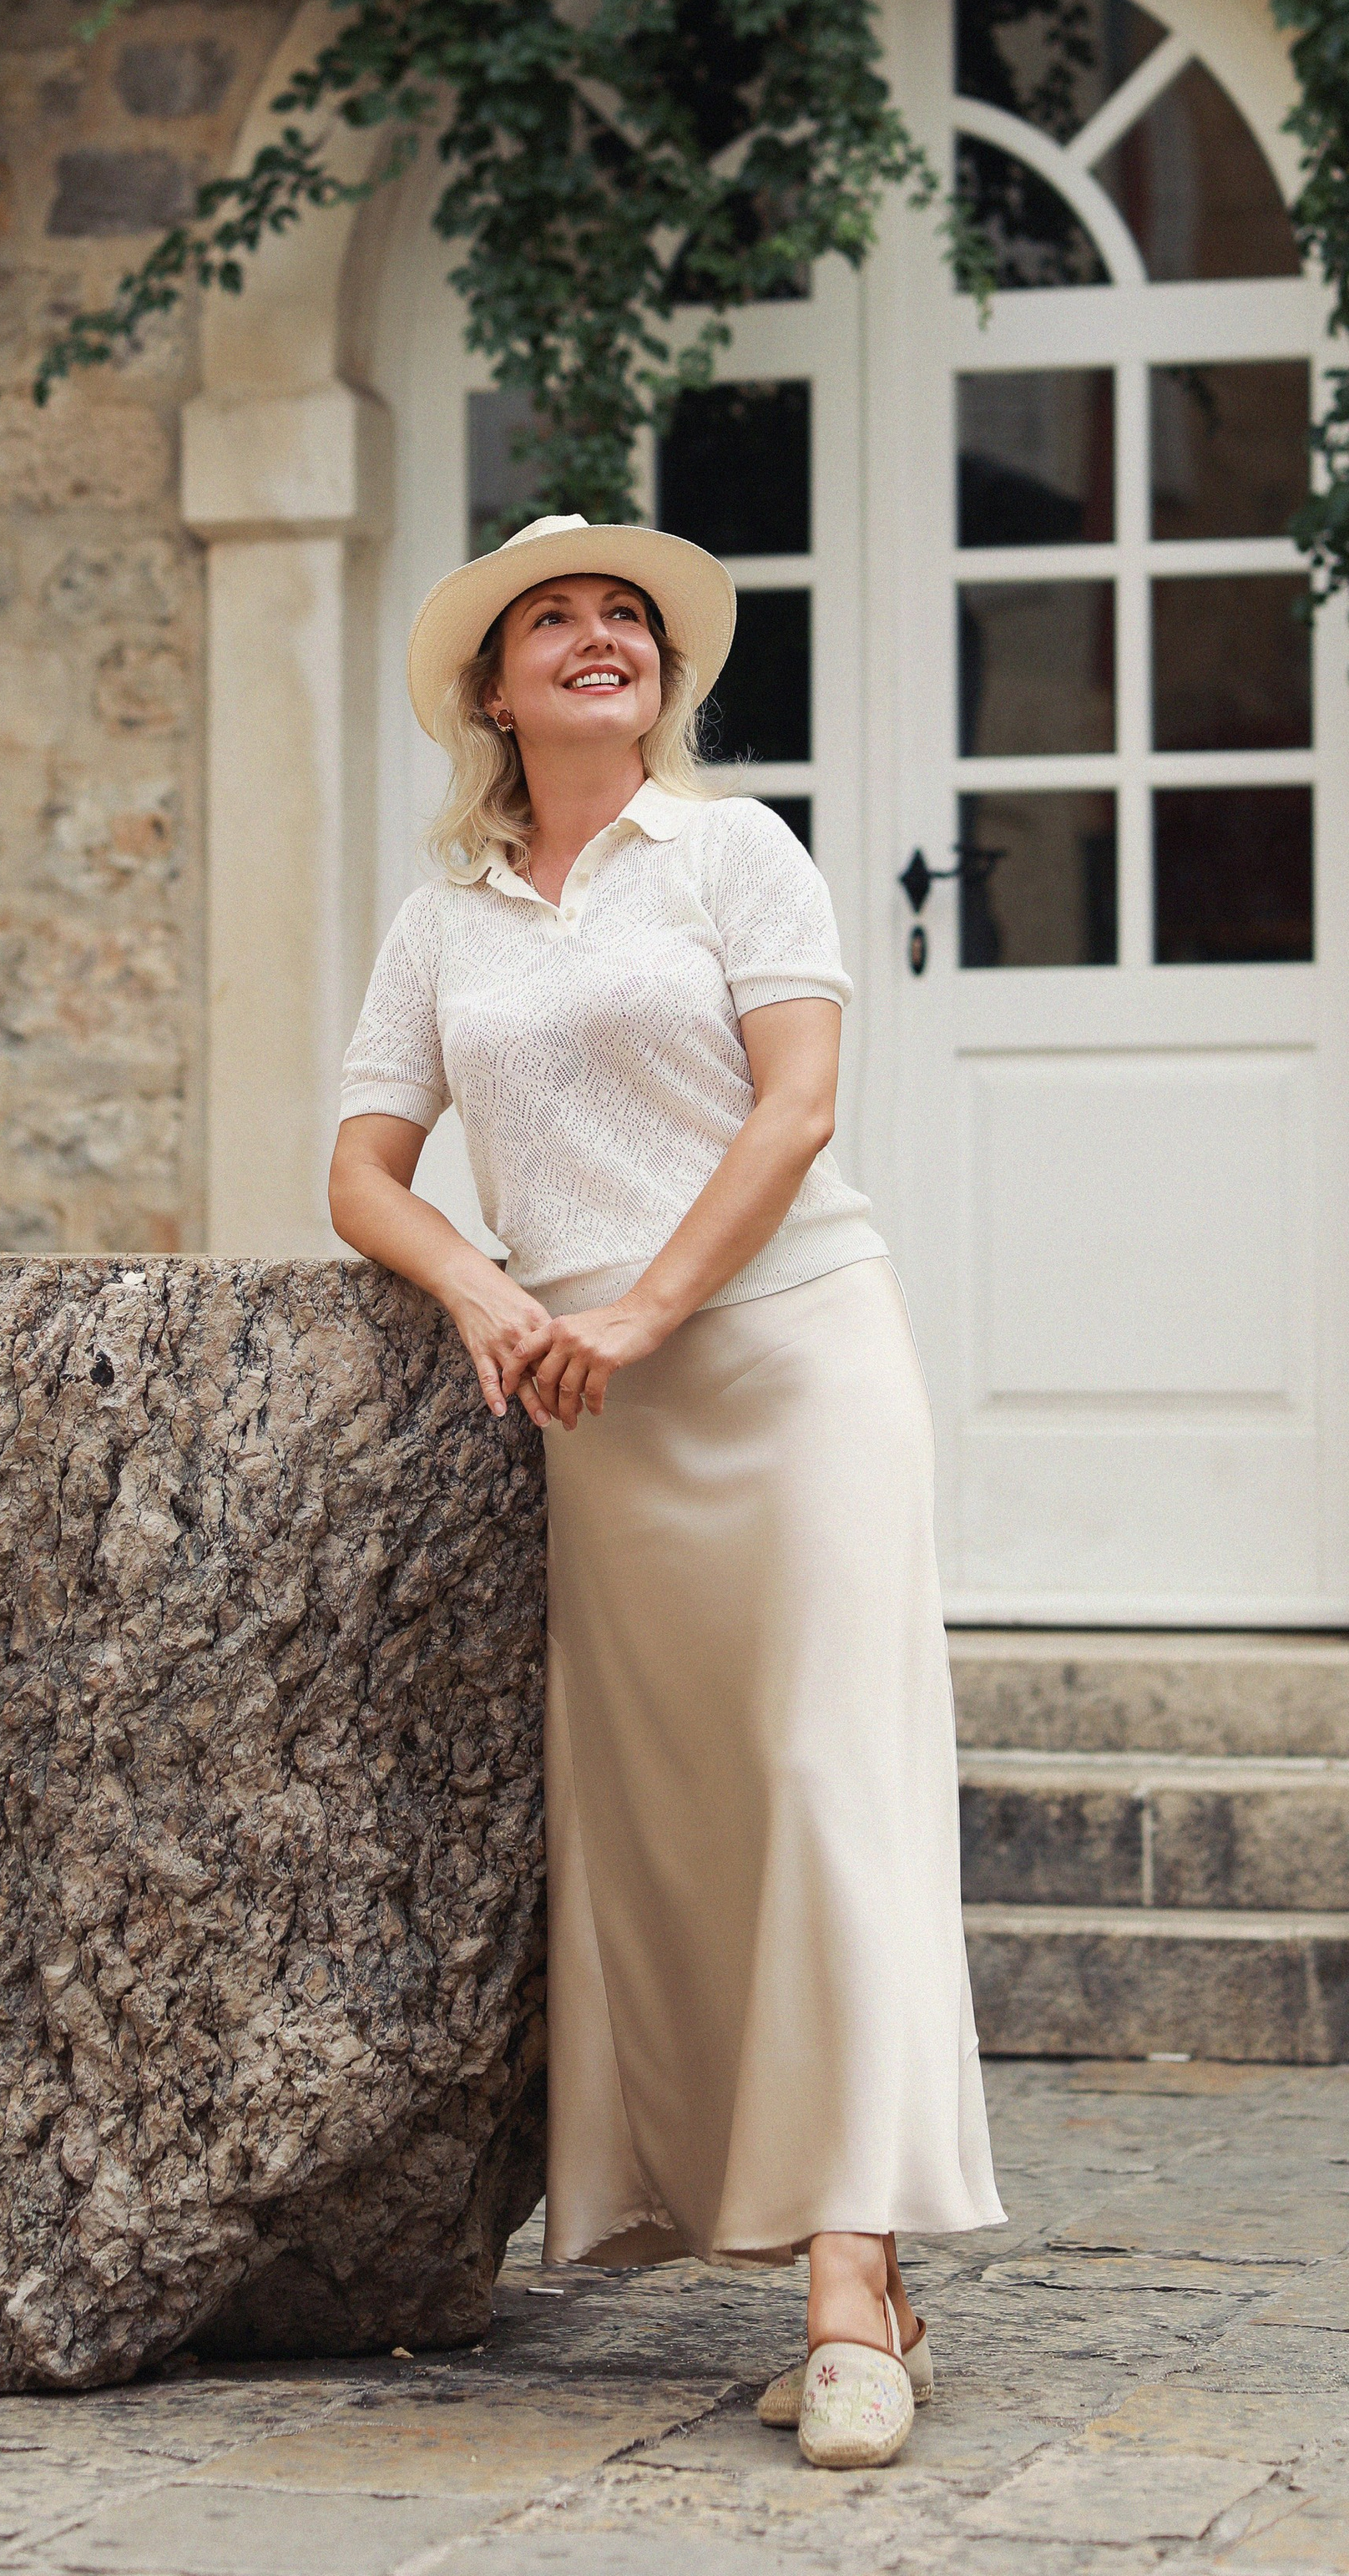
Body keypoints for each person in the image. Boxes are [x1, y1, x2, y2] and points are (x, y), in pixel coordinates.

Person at [329, 511, 1002, 2469]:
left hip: (788, 1358)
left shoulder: (735, 849)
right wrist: (480, 1285)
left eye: (626, 616)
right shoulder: (444, 912)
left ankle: (846, 2287)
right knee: (683, 1825)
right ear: (493, 686)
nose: (600, 635)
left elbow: (795, 1107)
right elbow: (363, 1166)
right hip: (588, 1399)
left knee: (822, 1785)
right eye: (557, 617)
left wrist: (637, 1309)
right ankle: (834, 2256)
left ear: (661, 674)